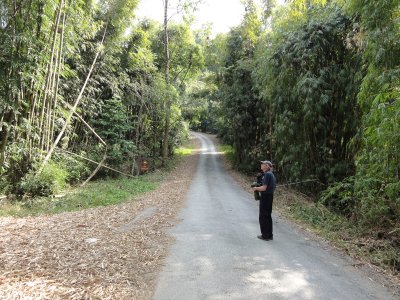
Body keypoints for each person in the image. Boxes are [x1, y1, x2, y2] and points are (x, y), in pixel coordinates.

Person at [252, 160, 276, 241]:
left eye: (263, 164)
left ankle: (265, 235)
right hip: (269, 196)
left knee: (263, 216)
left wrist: (255, 188)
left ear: (267, 166)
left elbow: (264, 188)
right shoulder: (270, 174)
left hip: (265, 197)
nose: (261, 165)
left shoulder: (267, 174)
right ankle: (269, 235)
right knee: (268, 216)